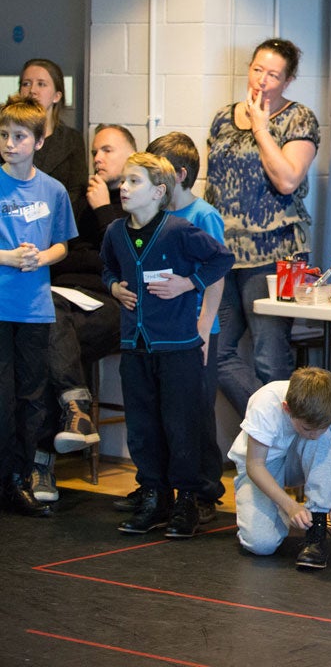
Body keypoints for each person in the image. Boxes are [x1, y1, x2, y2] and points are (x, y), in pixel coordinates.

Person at [100, 153, 233, 538]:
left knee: (182, 424)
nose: (123, 188)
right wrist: (112, 287)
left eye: (134, 182)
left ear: (159, 191)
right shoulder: (114, 233)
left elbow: (221, 260)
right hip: (135, 346)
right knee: (143, 426)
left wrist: (188, 283)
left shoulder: (178, 230)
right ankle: (155, 496)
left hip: (178, 347)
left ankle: (187, 500)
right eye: (123, 181)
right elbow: (107, 267)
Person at [206, 38, 319, 416]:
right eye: (257, 70)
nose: (262, 81)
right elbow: (214, 187)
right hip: (222, 256)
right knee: (216, 353)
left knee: (270, 358)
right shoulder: (223, 118)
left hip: (274, 255)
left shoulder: (297, 118)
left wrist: (260, 128)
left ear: (287, 81)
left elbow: (287, 180)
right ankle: (273, 427)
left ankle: (281, 455)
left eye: (273, 75)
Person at [31, 124, 133, 504]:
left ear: (130, 155)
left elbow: (127, 264)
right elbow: (60, 252)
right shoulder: (80, 199)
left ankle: (41, 464)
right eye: (94, 152)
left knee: (47, 327)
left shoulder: (135, 201)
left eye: (107, 150)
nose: (97, 159)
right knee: (42, 339)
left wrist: (105, 209)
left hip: (112, 303)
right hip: (65, 301)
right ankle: (75, 409)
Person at [0, 96, 77, 516]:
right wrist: (8, 257)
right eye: (4, 135)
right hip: (1, 304)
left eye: (19, 136)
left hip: (33, 308)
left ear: (39, 141)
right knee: (3, 395)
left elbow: (63, 243)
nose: (10, 144)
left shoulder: (54, 190)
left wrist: (42, 257)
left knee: (32, 396)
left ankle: (22, 476)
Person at [146, 132, 227, 517]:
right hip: (163, 331)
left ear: (178, 175)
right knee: (166, 411)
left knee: (195, 410)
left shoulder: (203, 215)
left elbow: (216, 273)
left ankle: (205, 490)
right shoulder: (157, 216)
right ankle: (163, 489)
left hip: (195, 330)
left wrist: (204, 328)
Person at [228, 367, 331, 570]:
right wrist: (289, 506)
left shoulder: (329, 406)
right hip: (264, 467)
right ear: (287, 409)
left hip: (298, 463)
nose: (314, 433)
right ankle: (277, 508)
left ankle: (317, 527)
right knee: (261, 545)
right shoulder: (265, 402)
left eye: (320, 427)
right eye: (307, 428)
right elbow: (254, 465)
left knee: (322, 439)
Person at [19, 59, 87, 219]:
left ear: (57, 96)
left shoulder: (72, 140)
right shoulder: (6, 137)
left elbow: (76, 193)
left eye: (41, 84)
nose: (32, 90)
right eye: (26, 84)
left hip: (58, 225)